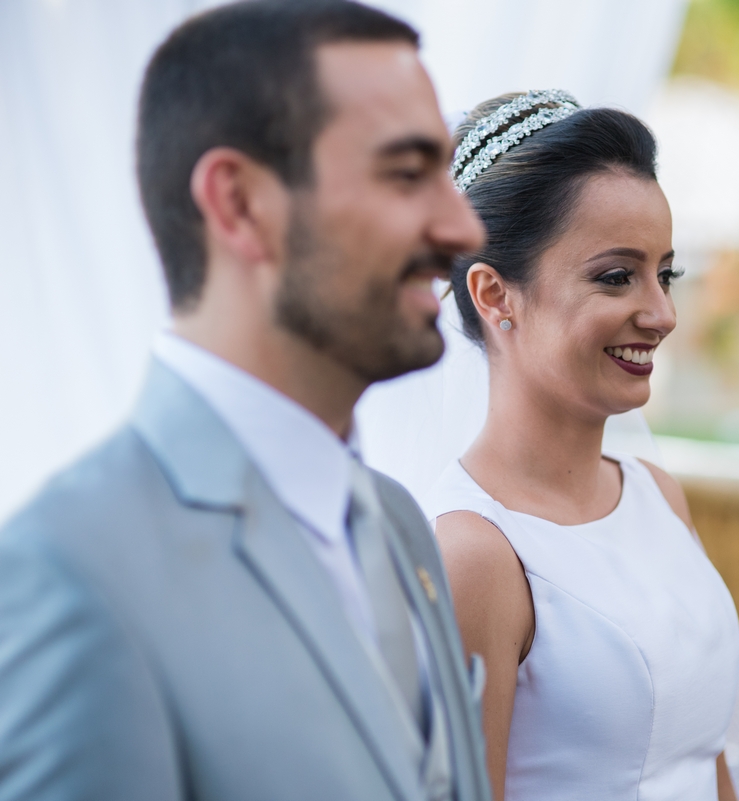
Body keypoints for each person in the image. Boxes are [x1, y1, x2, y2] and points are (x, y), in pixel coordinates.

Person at [0, 2, 491, 799]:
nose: (462, 226)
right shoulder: (71, 570)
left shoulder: (401, 522)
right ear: (238, 204)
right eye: (408, 173)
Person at [428, 90, 739, 801]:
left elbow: (711, 753)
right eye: (615, 276)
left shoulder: (655, 494)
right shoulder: (475, 555)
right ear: (493, 294)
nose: (662, 313)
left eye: (665, 274)